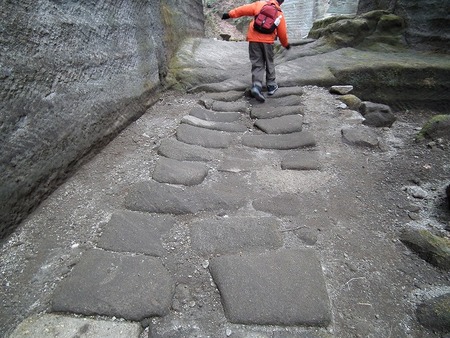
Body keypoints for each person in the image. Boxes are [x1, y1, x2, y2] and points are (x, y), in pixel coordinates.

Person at [222, 0, 290, 102]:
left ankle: (256, 86)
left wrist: (229, 14)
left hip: (253, 39)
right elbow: (282, 33)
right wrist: (285, 44)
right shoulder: (279, 13)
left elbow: (243, 9)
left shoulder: (260, 4)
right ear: (280, 2)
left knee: (257, 63)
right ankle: (271, 86)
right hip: (268, 42)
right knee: (269, 62)